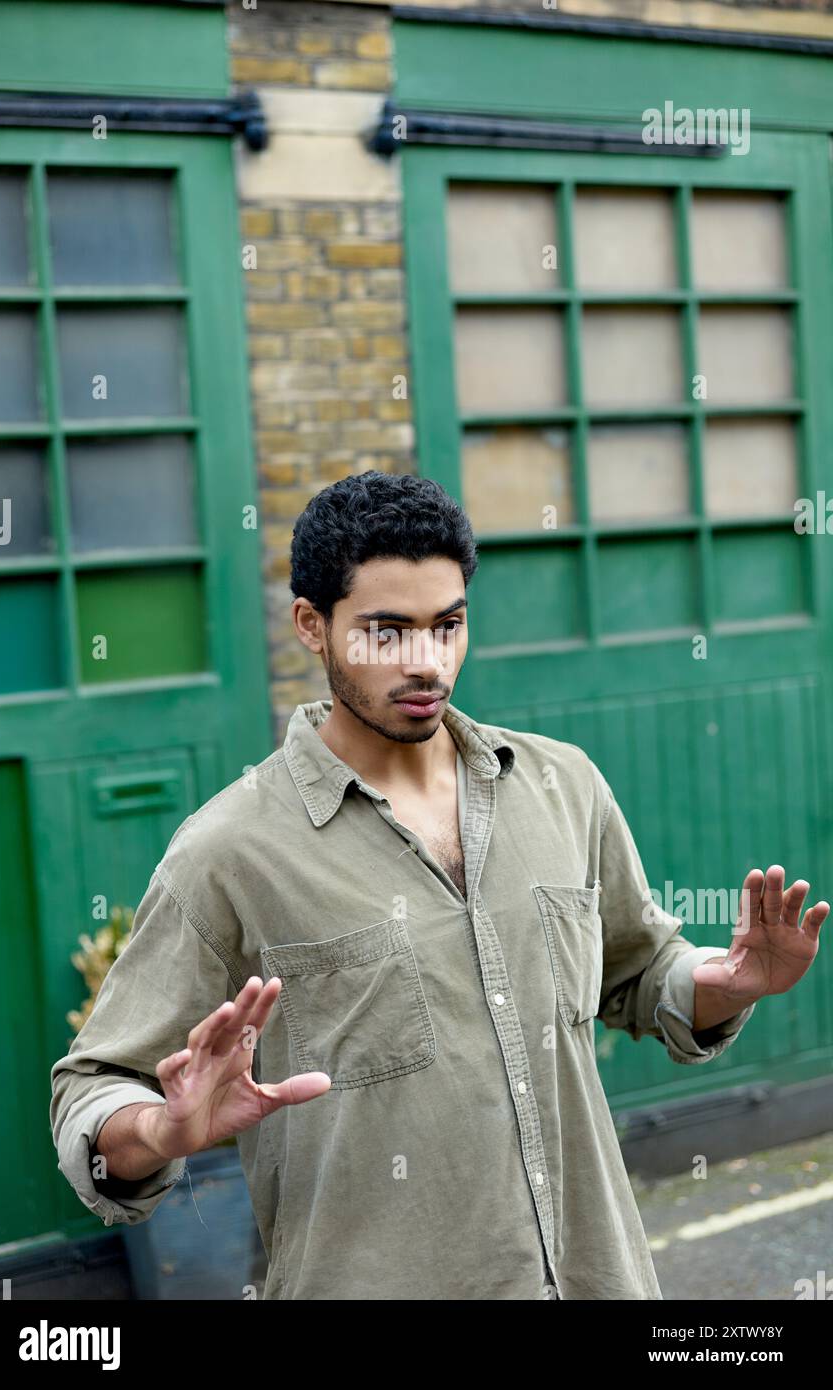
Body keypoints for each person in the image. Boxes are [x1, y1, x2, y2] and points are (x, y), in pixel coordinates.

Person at [50, 470, 828, 1300]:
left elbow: (639, 974)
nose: (425, 662)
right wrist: (162, 1130)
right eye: (386, 632)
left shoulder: (563, 785)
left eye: (447, 626)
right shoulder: (229, 851)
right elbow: (90, 1093)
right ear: (312, 626)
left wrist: (726, 982)